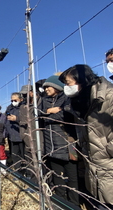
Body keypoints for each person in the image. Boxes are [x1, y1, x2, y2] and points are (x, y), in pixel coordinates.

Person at [59, 64, 113, 209]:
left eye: (68, 83)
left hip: (108, 161)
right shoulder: (79, 102)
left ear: (81, 80)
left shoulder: (108, 96)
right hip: (93, 163)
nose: (66, 87)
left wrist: (107, 151)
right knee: (99, 200)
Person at [40, 75, 79, 206]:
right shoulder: (44, 101)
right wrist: (50, 111)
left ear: (56, 86)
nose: (46, 90)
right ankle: (61, 202)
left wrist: (51, 113)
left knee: (72, 176)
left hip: (68, 144)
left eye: (48, 87)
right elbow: (40, 115)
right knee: (57, 176)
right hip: (51, 144)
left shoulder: (66, 98)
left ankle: (74, 204)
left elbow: (67, 114)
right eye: (45, 88)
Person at [5, 92, 24, 173]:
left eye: (15, 100)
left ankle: (27, 172)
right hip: (12, 135)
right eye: (12, 100)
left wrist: (17, 119)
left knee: (24, 156)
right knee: (15, 155)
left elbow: (27, 119)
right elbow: (6, 120)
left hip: (22, 136)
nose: (13, 102)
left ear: (21, 99)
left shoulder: (24, 107)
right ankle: (18, 172)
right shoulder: (9, 108)